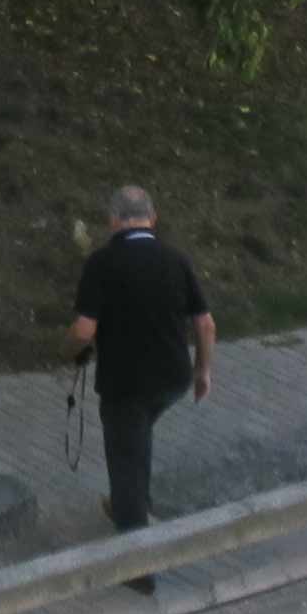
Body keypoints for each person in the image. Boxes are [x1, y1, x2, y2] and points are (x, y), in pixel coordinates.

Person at [66, 183, 215, 533]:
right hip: (173, 380)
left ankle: (138, 565)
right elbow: (206, 325)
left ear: (113, 219)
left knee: (125, 459)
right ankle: (131, 501)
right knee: (138, 437)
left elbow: (83, 331)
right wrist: (202, 372)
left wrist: (69, 349)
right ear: (153, 218)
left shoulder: (102, 263)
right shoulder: (177, 259)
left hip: (126, 385)